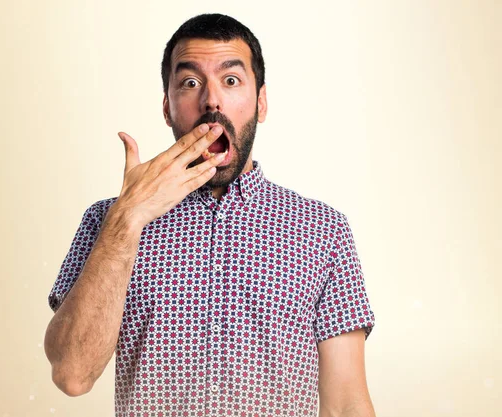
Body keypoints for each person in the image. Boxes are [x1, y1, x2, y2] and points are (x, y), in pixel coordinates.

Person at [44, 13, 377, 417]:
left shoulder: (323, 231)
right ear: (168, 108)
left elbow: (346, 405)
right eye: (190, 83)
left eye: (231, 80)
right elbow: (72, 375)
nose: (211, 100)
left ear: (262, 102)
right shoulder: (107, 221)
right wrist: (127, 218)